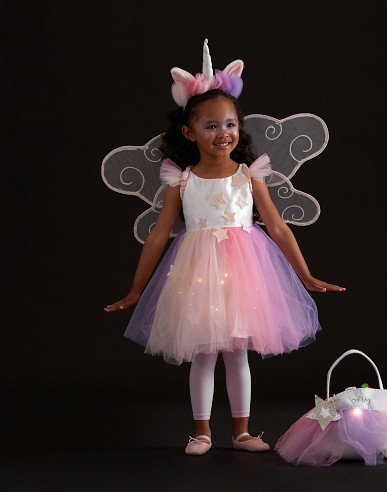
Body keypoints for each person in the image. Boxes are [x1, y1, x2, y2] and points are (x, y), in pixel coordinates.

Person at [104, 39, 346, 456]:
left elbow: (277, 227)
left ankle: (242, 432)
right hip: (197, 273)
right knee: (203, 353)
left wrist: (305, 274)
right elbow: (159, 235)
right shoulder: (182, 180)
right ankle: (201, 432)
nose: (223, 133)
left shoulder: (249, 175)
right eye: (211, 126)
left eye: (230, 124)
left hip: (245, 272)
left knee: (237, 355)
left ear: (239, 127)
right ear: (190, 132)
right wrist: (136, 289)